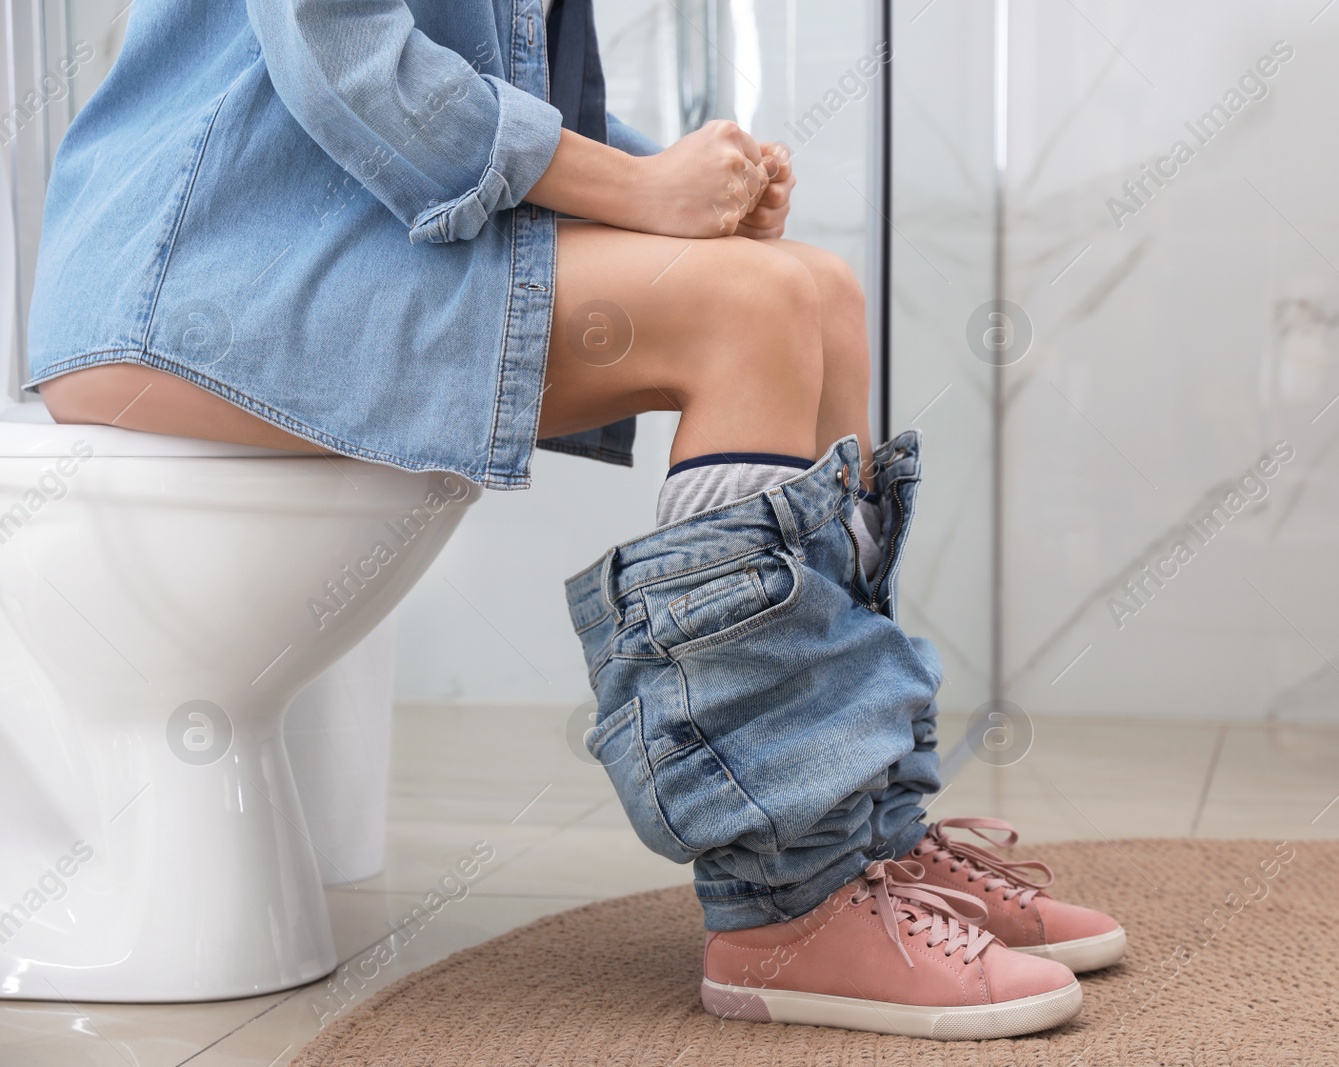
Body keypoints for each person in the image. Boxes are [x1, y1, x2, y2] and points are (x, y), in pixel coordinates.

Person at [29, 0, 1123, 1040]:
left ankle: (861, 841)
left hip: (343, 233)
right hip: (206, 262)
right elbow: (347, 53)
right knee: (756, 307)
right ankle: (788, 903)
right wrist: (645, 188)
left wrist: (693, 190)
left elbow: (494, 82)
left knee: (815, 289)